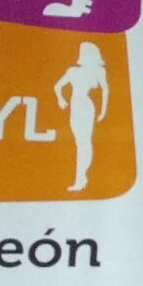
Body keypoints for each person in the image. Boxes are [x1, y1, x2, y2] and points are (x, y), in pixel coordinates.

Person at [52, 41, 109, 193]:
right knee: (80, 142)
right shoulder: (72, 71)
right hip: (74, 108)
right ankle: (82, 177)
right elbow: (57, 86)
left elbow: (105, 90)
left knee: (83, 143)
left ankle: (80, 178)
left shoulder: (98, 71)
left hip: (86, 107)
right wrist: (60, 99)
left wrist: (103, 111)